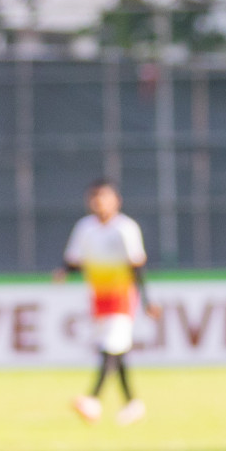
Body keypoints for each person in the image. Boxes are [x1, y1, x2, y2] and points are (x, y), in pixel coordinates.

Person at [55, 180, 160, 426]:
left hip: (122, 295)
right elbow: (74, 260)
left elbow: (137, 266)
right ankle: (132, 404)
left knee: (109, 346)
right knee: (117, 350)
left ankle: (92, 399)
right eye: (95, 198)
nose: (99, 203)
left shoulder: (125, 228)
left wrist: (147, 300)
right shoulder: (85, 228)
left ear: (116, 201)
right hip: (98, 296)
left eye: (104, 197)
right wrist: (62, 271)